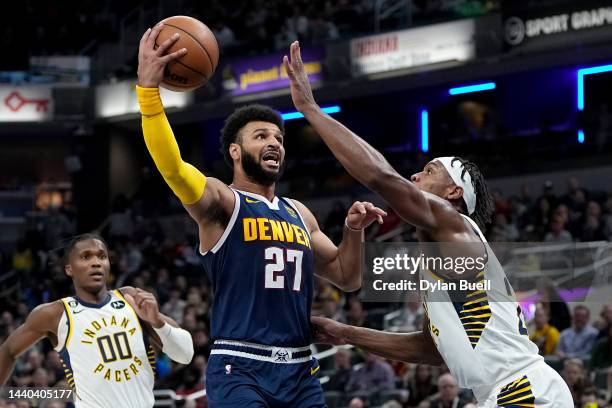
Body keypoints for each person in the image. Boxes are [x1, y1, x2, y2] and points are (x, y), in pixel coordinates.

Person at [283, 41, 574, 407]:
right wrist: (345, 332)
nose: (416, 175)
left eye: (429, 170)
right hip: (508, 392)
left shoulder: (455, 225)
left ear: (453, 192)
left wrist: (310, 109)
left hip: (523, 390)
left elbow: (380, 176)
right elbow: (431, 349)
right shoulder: (442, 258)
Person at [136, 24, 386, 408]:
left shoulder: (299, 213)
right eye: (261, 137)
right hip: (241, 365)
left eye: (279, 138)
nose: (274, 143)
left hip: (301, 369)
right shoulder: (223, 202)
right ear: (235, 151)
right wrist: (148, 93)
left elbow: (347, 277)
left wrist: (353, 231)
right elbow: (172, 168)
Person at [0, 234, 194, 407]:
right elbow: (8, 350)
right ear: (69, 269)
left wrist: (157, 320)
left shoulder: (130, 299)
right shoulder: (55, 313)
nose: (96, 262)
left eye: (102, 256)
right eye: (86, 257)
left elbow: (185, 355)